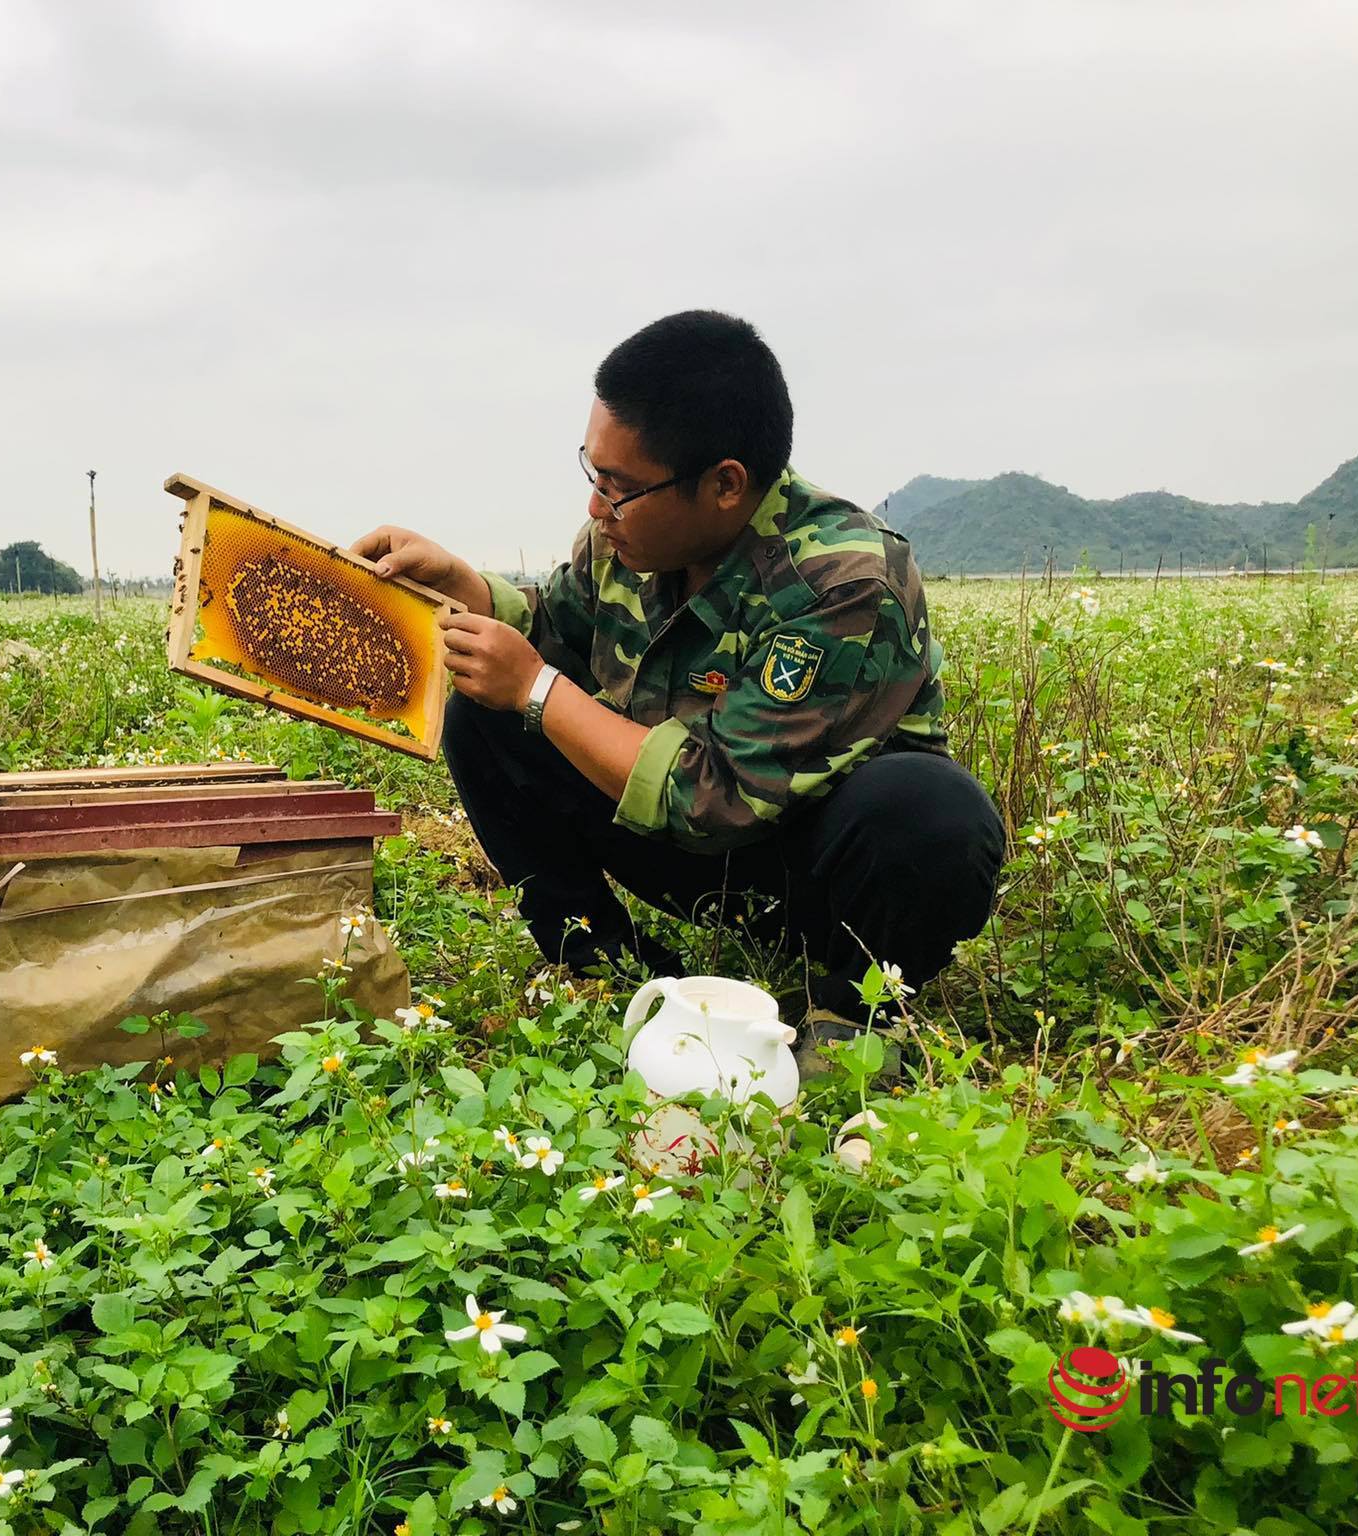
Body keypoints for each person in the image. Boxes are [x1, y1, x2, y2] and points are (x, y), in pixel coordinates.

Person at [350, 310, 1004, 1073]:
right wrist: (461, 584)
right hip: (679, 846)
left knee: (930, 813)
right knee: (484, 716)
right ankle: (609, 969)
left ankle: (854, 1015)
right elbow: (559, 625)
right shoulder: (630, 534)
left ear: (725, 484)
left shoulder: (843, 580)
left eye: (619, 488)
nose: (598, 507)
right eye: (594, 475)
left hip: (805, 869)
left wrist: (534, 687)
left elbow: (715, 796)